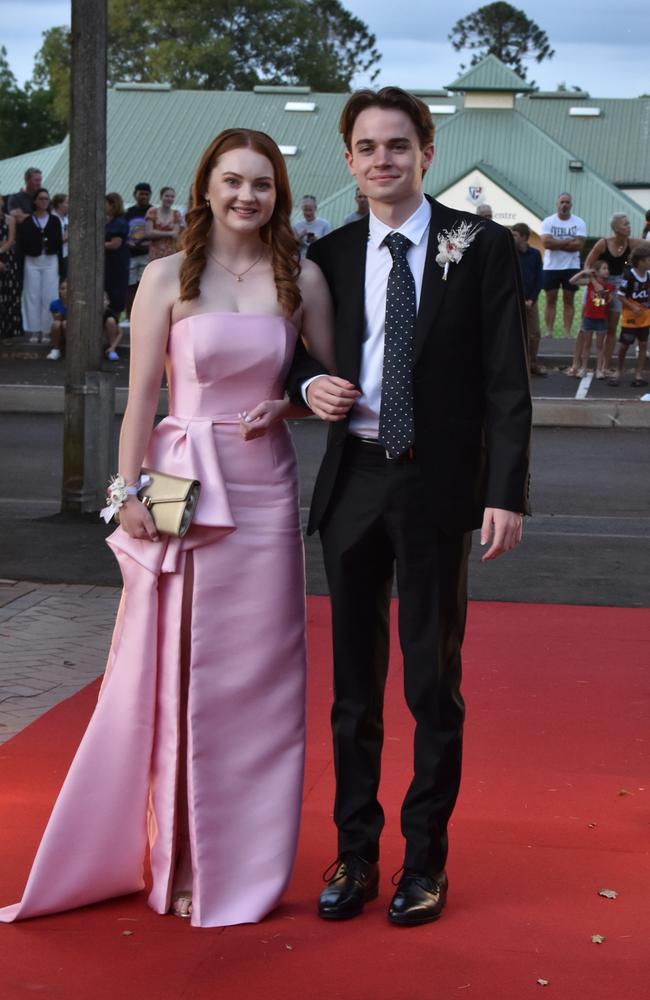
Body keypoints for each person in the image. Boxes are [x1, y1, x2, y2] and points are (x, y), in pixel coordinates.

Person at [0, 127, 335, 929]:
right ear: (206, 186)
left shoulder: (304, 278)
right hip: (181, 481)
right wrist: (127, 494)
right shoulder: (163, 276)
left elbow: (326, 384)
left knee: (259, 682)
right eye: (232, 181)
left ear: (277, 194)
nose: (247, 195)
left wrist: (288, 401)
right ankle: (174, 856)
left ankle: (240, 865)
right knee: (174, 670)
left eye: (261, 183)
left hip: (262, 489)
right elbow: (142, 395)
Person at [288, 87, 531, 927]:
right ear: (349, 160)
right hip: (353, 482)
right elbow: (283, 355)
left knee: (433, 683)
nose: (383, 159)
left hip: (435, 487)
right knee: (353, 689)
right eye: (367, 146)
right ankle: (355, 855)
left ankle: (424, 863)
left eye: (399, 144)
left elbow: (508, 380)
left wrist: (506, 490)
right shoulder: (329, 250)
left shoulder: (482, 246)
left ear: (425, 151)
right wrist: (305, 381)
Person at [583, 214, 643, 376]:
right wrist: (595, 283)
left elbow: (647, 245)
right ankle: (580, 364)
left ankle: (604, 366)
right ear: (616, 228)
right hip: (598, 280)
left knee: (611, 327)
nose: (629, 226)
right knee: (587, 323)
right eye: (625, 224)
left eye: (629, 223)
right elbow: (587, 264)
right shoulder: (603, 243)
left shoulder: (633, 243)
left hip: (617, 284)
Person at [15, 188, 62, 343]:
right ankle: (34, 330)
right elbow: (22, 243)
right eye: (41, 198)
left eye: (46, 199)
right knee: (32, 295)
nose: (44, 201)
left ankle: (47, 331)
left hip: (50, 260)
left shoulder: (55, 220)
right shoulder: (28, 221)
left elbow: (58, 241)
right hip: (32, 260)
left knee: (49, 295)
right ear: (35, 201)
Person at [540, 193, 586, 337]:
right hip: (551, 267)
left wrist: (556, 243)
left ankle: (567, 332)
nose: (564, 205)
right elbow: (546, 243)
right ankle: (549, 331)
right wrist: (568, 241)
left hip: (571, 267)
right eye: (562, 202)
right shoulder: (548, 222)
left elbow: (578, 245)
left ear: (571, 205)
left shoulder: (579, 222)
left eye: (567, 202)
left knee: (569, 299)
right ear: (557, 204)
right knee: (550, 299)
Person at [608, 245, 650, 388]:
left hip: (645, 317)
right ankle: (618, 371)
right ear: (640, 261)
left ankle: (638, 374)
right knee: (625, 345)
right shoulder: (629, 275)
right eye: (648, 259)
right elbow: (621, 295)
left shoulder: (649, 276)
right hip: (631, 317)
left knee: (643, 344)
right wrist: (633, 307)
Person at [568, 260, 614, 378]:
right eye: (604, 268)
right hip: (589, 318)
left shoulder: (608, 286)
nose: (607, 271)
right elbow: (571, 281)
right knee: (586, 345)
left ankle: (599, 370)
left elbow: (599, 293)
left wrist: (592, 278)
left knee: (599, 346)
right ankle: (583, 368)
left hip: (601, 320)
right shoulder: (589, 283)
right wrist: (584, 272)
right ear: (597, 271)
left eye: (607, 268)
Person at [511, 223, 545, 376]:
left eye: (515, 235)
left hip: (531, 301)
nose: (512, 237)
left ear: (524, 237)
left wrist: (531, 299)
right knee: (516, 334)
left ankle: (532, 363)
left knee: (534, 333)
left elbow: (539, 278)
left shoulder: (535, 254)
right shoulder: (510, 254)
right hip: (515, 300)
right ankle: (520, 366)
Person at [104, 191, 130, 349]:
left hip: (116, 266)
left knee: (114, 299)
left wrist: (96, 243)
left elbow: (115, 244)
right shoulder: (111, 221)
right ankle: (110, 339)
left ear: (113, 204)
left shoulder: (118, 223)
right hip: (110, 264)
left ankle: (113, 342)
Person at [125, 182, 153, 316]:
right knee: (129, 287)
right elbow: (124, 232)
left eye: (146, 194)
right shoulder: (129, 212)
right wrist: (128, 242)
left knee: (144, 287)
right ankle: (129, 315)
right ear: (135, 195)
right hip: (131, 255)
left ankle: (143, 315)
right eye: (141, 193)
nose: (144, 197)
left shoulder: (153, 211)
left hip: (147, 255)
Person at [0, 194, 22, 340]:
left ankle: (8, 331)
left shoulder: (10, 219)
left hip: (7, 259)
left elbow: (11, 240)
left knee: (8, 295)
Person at [145, 187, 181, 260]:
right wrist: (169, 233)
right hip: (155, 252)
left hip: (170, 252)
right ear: (161, 197)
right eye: (167, 196)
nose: (169, 199)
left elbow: (176, 234)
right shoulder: (152, 212)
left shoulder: (176, 214)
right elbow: (149, 233)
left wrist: (157, 232)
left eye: (172, 197)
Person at [46, 278, 67, 360]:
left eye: (67, 288)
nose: (65, 291)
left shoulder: (76, 302)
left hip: (73, 331)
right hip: (60, 332)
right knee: (56, 324)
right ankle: (56, 350)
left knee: (66, 323)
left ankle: (72, 349)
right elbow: (56, 318)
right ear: (58, 290)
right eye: (62, 288)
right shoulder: (54, 304)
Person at [51, 193, 69, 279]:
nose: (69, 205)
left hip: (67, 254)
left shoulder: (66, 218)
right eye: (67, 202)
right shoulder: (53, 218)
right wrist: (67, 237)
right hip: (58, 256)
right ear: (59, 204)